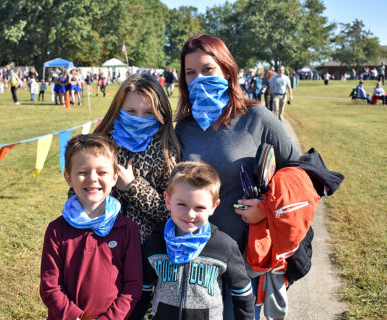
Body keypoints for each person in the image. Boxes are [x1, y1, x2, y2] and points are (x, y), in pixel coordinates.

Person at [174, 34, 300, 320]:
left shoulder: (258, 118)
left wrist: (266, 210)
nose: (198, 79)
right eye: (190, 73)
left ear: (227, 71)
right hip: (191, 261)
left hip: (243, 262)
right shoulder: (182, 128)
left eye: (208, 70)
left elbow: (299, 172)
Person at [132, 161, 254, 320]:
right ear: (168, 201)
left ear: (213, 206)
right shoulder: (154, 244)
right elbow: (143, 292)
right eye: (182, 204)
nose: (190, 214)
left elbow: (242, 294)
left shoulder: (225, 246)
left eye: (199, 207)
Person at [39, 134, 142, 320]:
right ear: (68, 178)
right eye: (83, 172)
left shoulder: (127, 229)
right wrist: (73, 316)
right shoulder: (56, 230)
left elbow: (133, 285)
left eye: (101, 172)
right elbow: (50, 286)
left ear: (114, 177)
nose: (92, 178)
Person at [93, 73, 181, 242]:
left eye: (148, 112)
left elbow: (173, 209)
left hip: (145, 248)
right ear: (118, 109)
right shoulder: (101, 144)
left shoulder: (166, 151)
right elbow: (78, 192)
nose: (139, 118)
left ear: (159, 112)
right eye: (131, 111)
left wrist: (132, 187)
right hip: (101, 242)